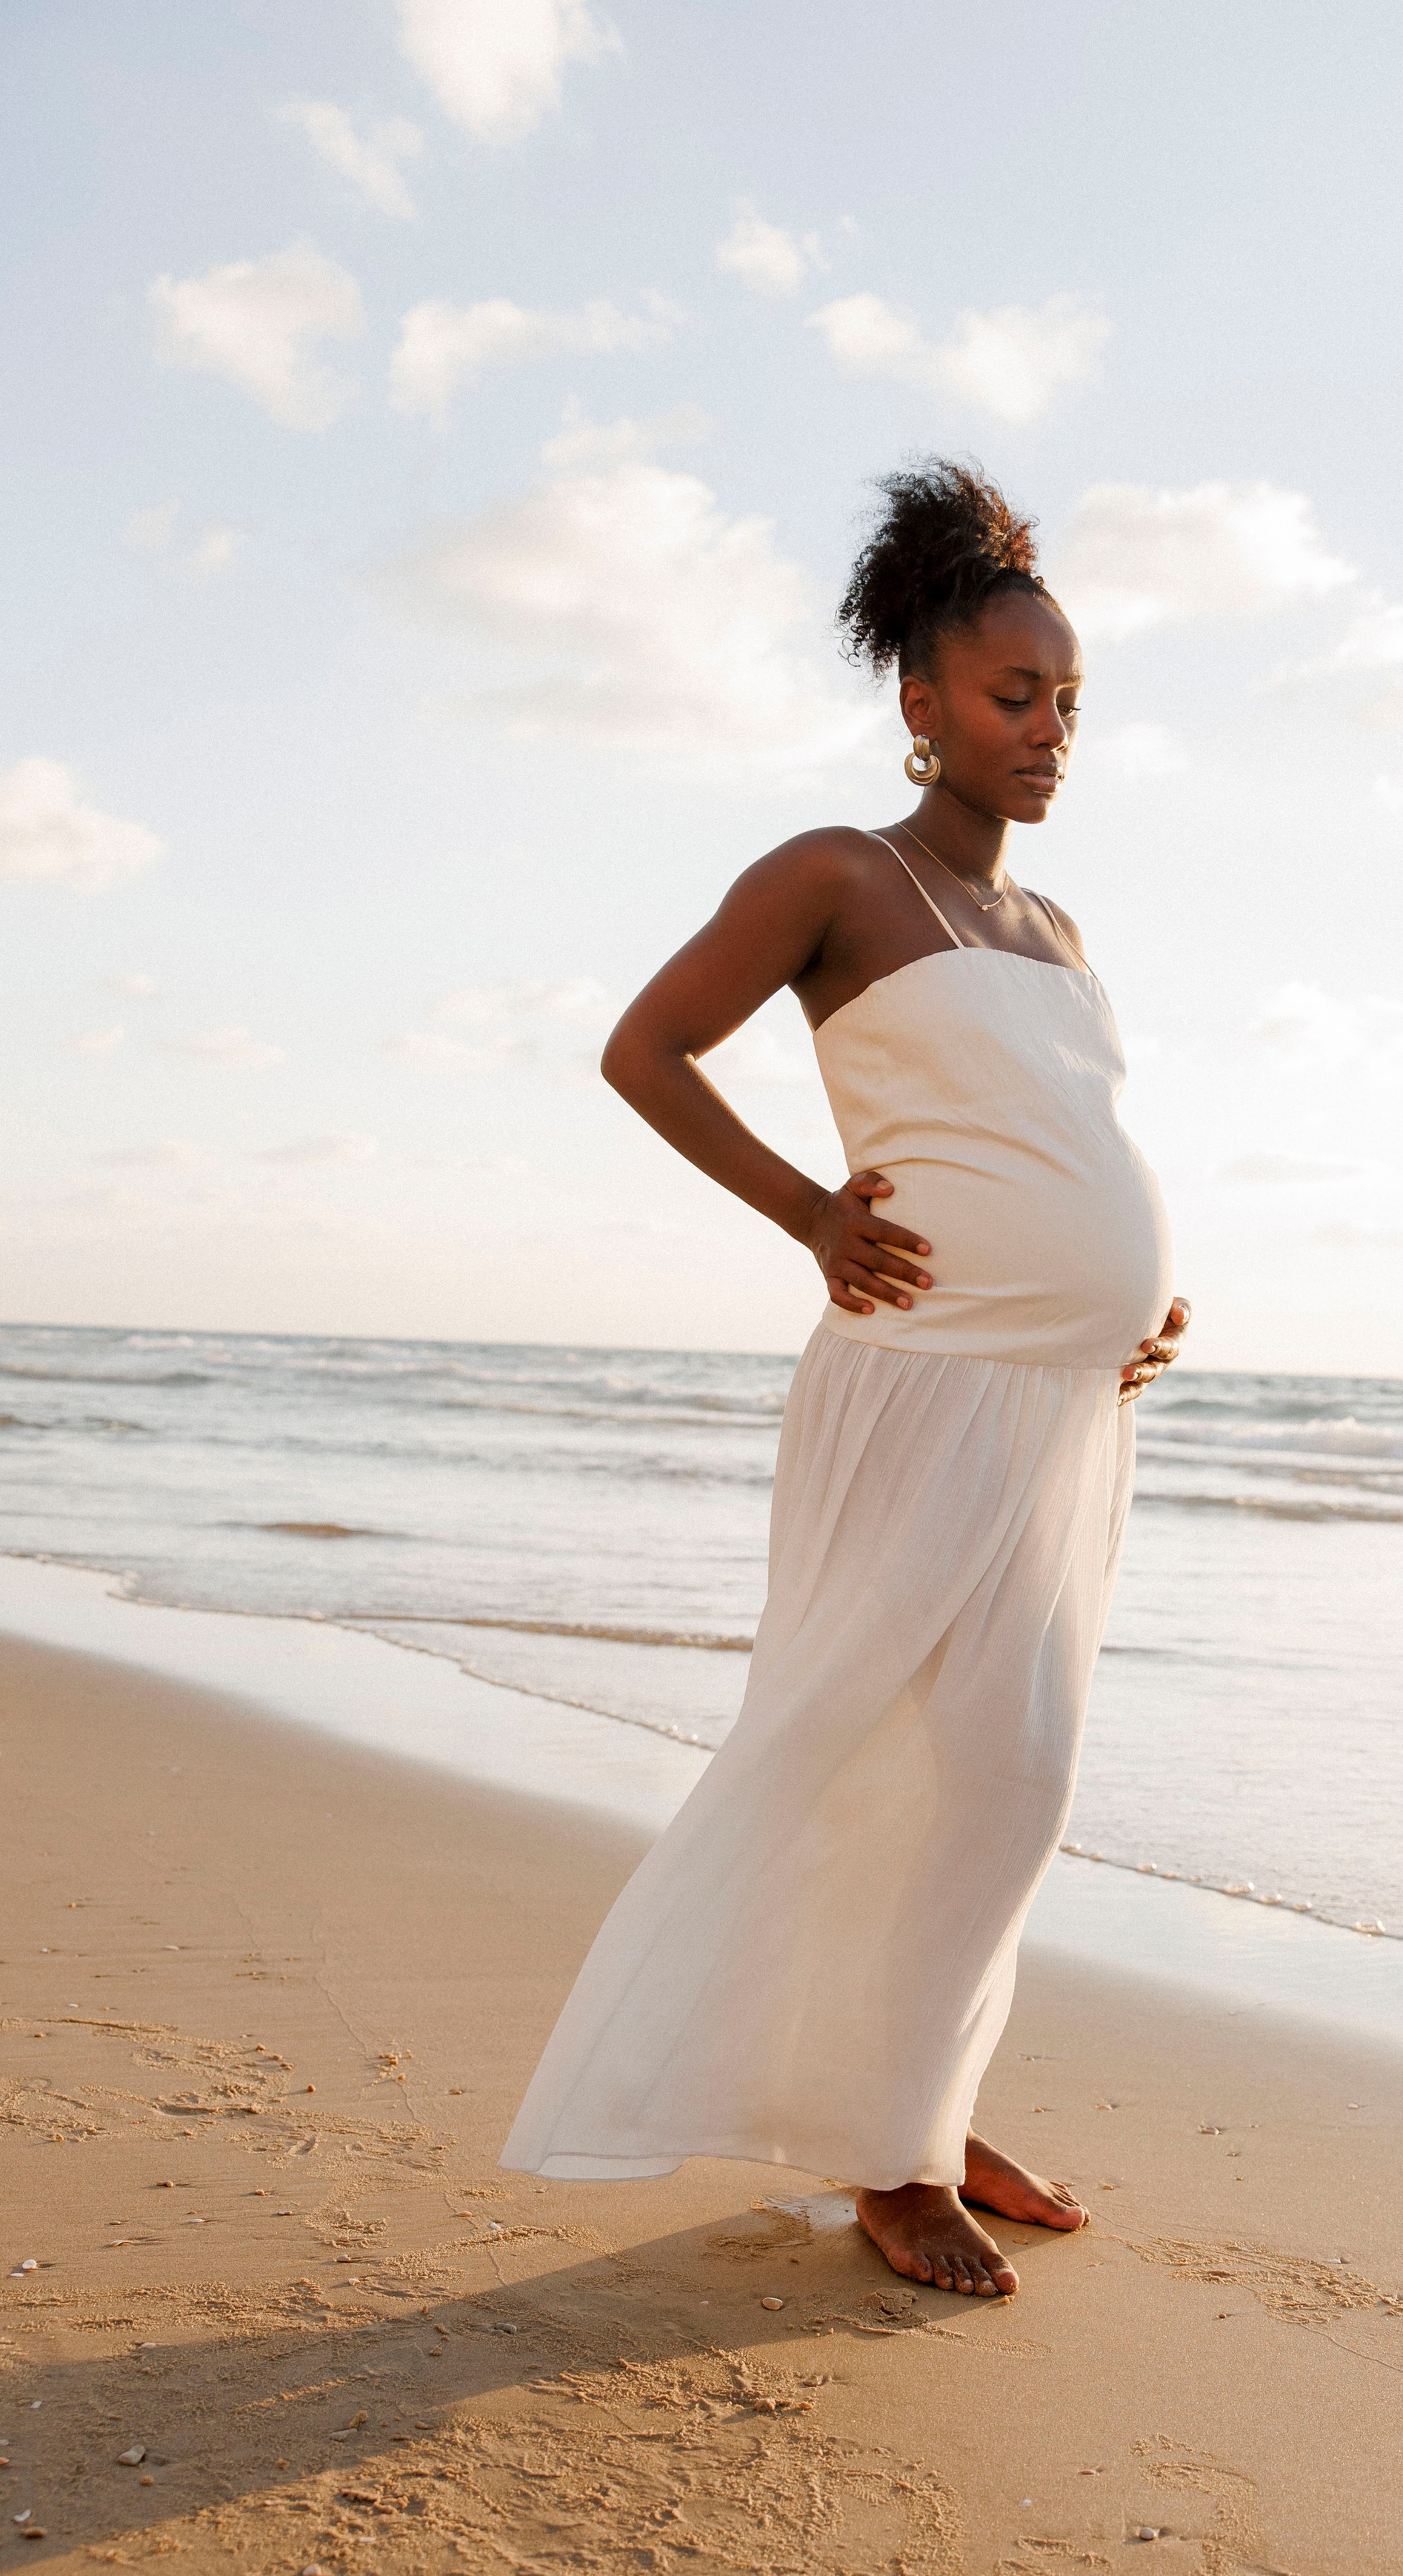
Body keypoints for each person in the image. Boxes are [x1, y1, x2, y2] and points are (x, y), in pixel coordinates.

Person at [501, 460, 1189, 2297]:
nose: (1046, 734)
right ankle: (883, 2162)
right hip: (917, 1387)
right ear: (918, 705)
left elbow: (1049, 1148)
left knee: (1011, 1778)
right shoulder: (838, 878)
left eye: (1067, 703)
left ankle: (923, 2104)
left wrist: (1129, 1303)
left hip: (1062, 1408)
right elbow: (643, 1050)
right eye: (1010, 695)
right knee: (852, 1741)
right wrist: (810, 1213)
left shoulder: (1056, 936)